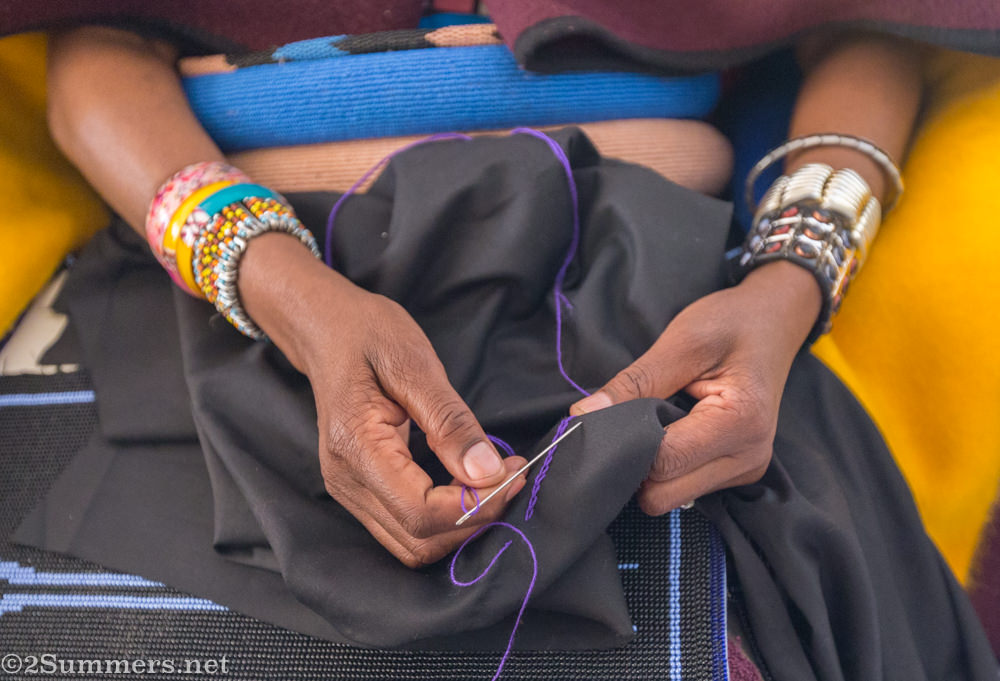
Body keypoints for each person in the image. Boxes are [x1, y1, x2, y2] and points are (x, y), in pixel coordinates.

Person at [44, 22, 921, 568]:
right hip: (237, 291)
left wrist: (793, 278)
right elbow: (97, 50)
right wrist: (284, 287)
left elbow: (865, 28)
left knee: (811, 574)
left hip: (700, 310)